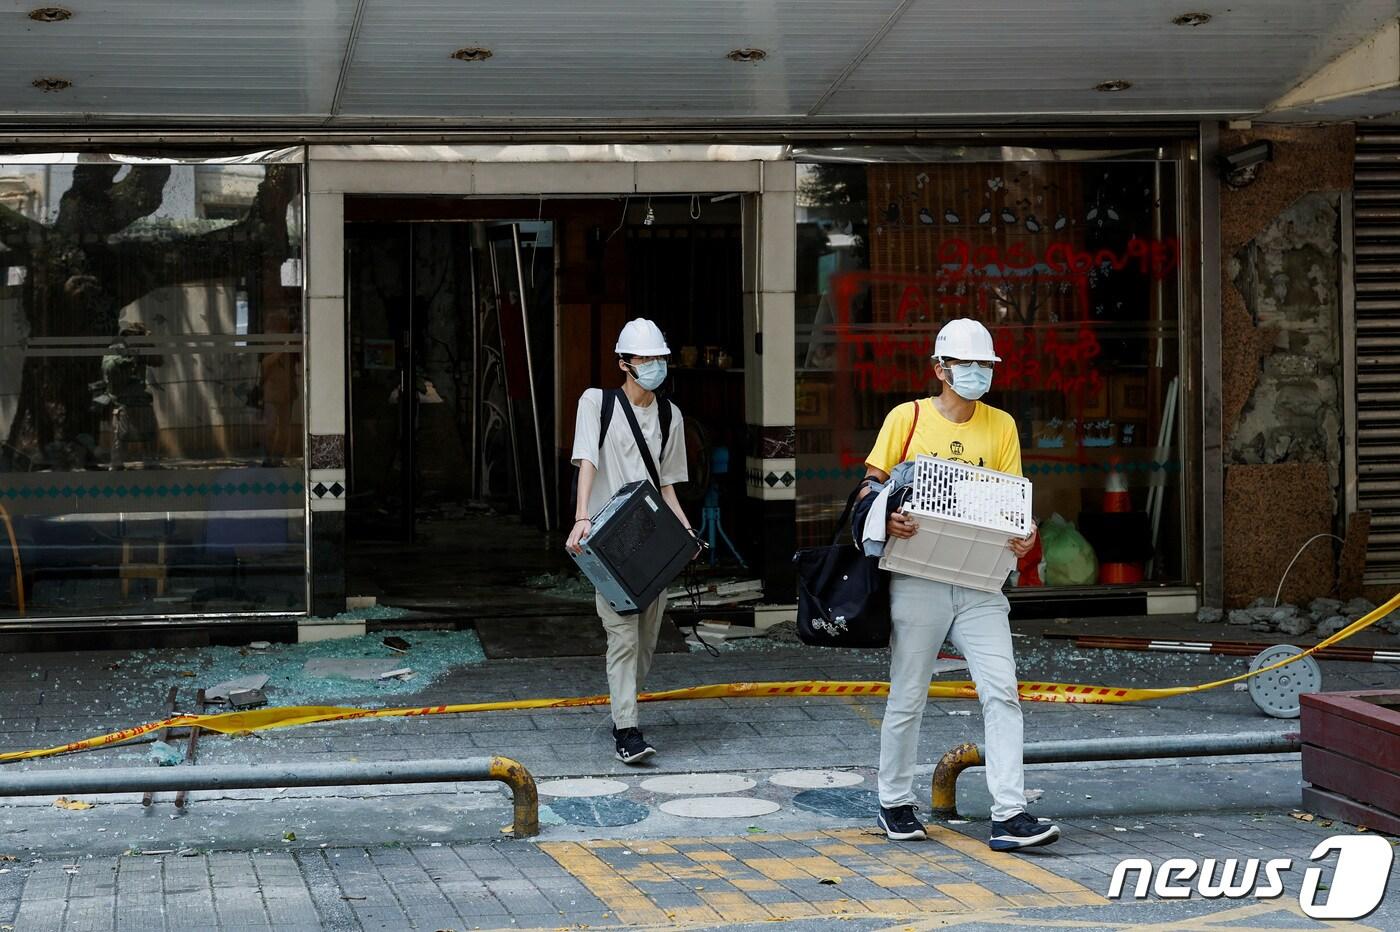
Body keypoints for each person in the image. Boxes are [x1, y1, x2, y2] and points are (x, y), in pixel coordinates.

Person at [862, 317, 1059, 852]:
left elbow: (1012, 502)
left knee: (1002, 693)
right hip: (918, 578)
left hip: (979, 583)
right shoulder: (907, 418)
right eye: (966, 365)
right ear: (939, 369)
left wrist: (1024, 535)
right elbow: (868, 489)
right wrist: (888, 518)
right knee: (908, 694)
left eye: (985, 366)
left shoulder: (1002, 426)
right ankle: (895, 802)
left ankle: (1009, 814)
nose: (977, 373)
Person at [566, 318, 695, 765]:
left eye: (659, 358)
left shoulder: (669, 415)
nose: (654, 366)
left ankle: (626, 703)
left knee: (646, 641)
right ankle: (627, 729)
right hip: (608, 538)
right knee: (621, 635)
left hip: (653, 541)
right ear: (624, 362)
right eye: (645, 358)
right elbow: (586, 460)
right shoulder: (596, 403)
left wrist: (687, 533)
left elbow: (668, 486)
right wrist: (582, 517)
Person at [102, 320, 164, 470]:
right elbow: (109, 367)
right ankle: (116, 465)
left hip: (140, 398)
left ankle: (150, 460)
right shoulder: (116, 349)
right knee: (120, 435)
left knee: (150, 432)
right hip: (122, 400)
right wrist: (130, 358)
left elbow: (158, 361)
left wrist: (149, 345)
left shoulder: (140, 349)